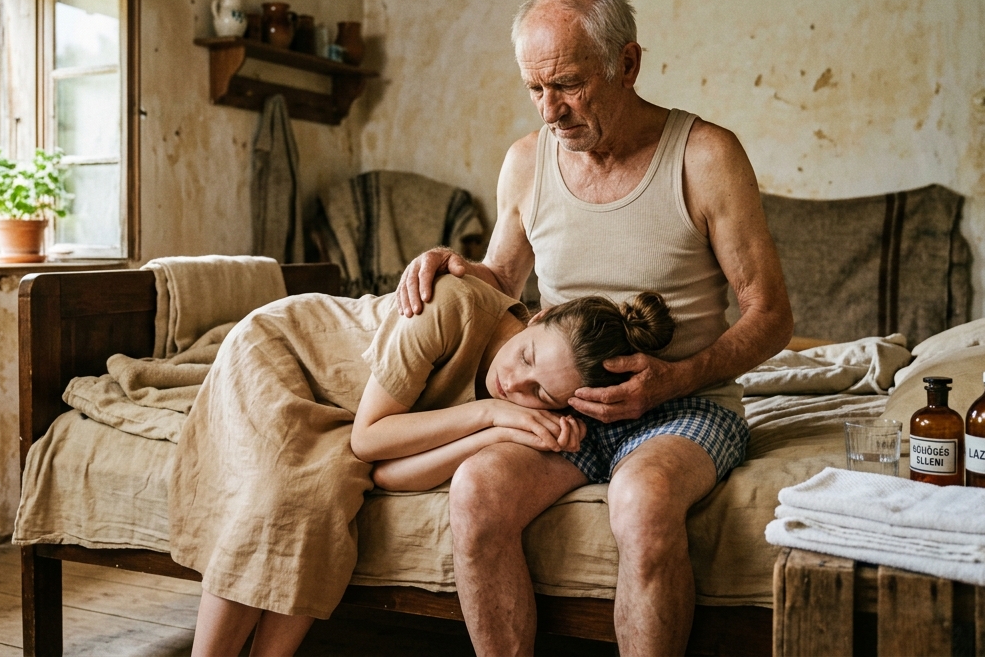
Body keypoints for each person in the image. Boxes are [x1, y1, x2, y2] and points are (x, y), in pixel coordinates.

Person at [394, 0, 793, 655]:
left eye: (569, 85)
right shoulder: (526, 163)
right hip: (561, 409)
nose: (551, 111)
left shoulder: (705, 155)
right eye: (534, 90)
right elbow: (502, 282)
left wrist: (672, 380)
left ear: (627, 64)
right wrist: (452, 267)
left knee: (639, 500)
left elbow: (773, 315)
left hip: (682, 409)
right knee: (476, 491)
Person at [168, 271, 677, 657]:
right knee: (278, 493)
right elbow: (369, 442)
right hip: (283, 352)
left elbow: (383, 475)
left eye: (542, 392)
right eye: (526, 358)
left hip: (348, 411)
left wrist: (497, 430)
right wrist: (488, 412)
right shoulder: (453, 306)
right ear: (538, 316)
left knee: (324, 495)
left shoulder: (521, 412)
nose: (515, 385)